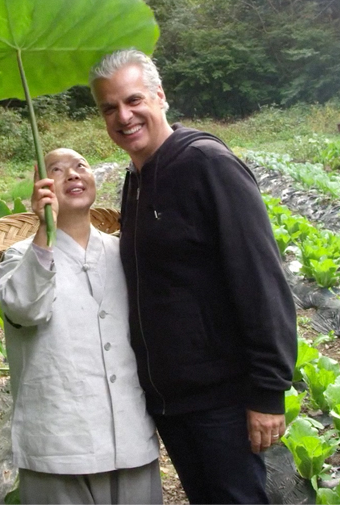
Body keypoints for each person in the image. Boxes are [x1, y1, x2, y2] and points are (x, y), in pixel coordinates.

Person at [89, 50, 298, 503]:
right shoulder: (137, 179)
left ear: (160, 96)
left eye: (133, 100)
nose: (124, 116)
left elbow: (260, 279)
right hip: (171, 397)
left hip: (221, 397)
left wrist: (268, 392)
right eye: (109, 108)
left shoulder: (207, 164)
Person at [0, 148, 162, 504]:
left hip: (130, 436)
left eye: (81, 166)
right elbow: (24, 308)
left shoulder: (124, 251)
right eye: (56, 170)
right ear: (39, 187)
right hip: (59, 445)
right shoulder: (20, 257)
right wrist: (45, 229)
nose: (72, 174)